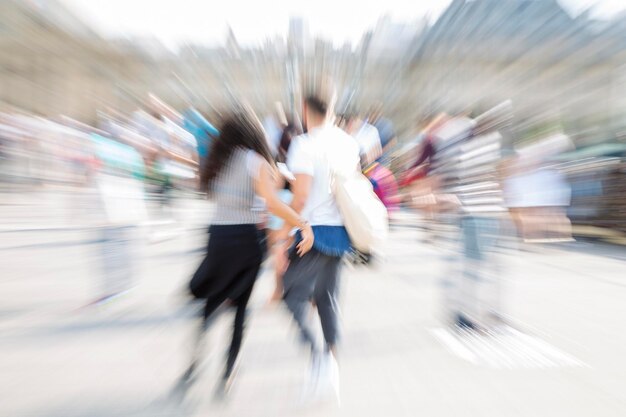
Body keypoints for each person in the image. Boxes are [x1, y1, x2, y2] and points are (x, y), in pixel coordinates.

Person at [183, 107, 314, 397]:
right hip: (245, 240)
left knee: (211, 304)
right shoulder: (255, 161)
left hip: (217, 236)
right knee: (240, 308)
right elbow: (271, 202)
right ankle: (227, 375)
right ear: (253, 133)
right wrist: (301, 223)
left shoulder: (216, 161)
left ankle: (193, 367)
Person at [277, 86, 360, 403]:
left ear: (304, 108)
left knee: (291, 295)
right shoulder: (347, 142)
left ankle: (319, 359)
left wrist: (285, 233)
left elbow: (300, 197)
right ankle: (331, 372)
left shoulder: (304, 144)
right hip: (341, 232)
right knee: (328, 300)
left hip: (312, 231)